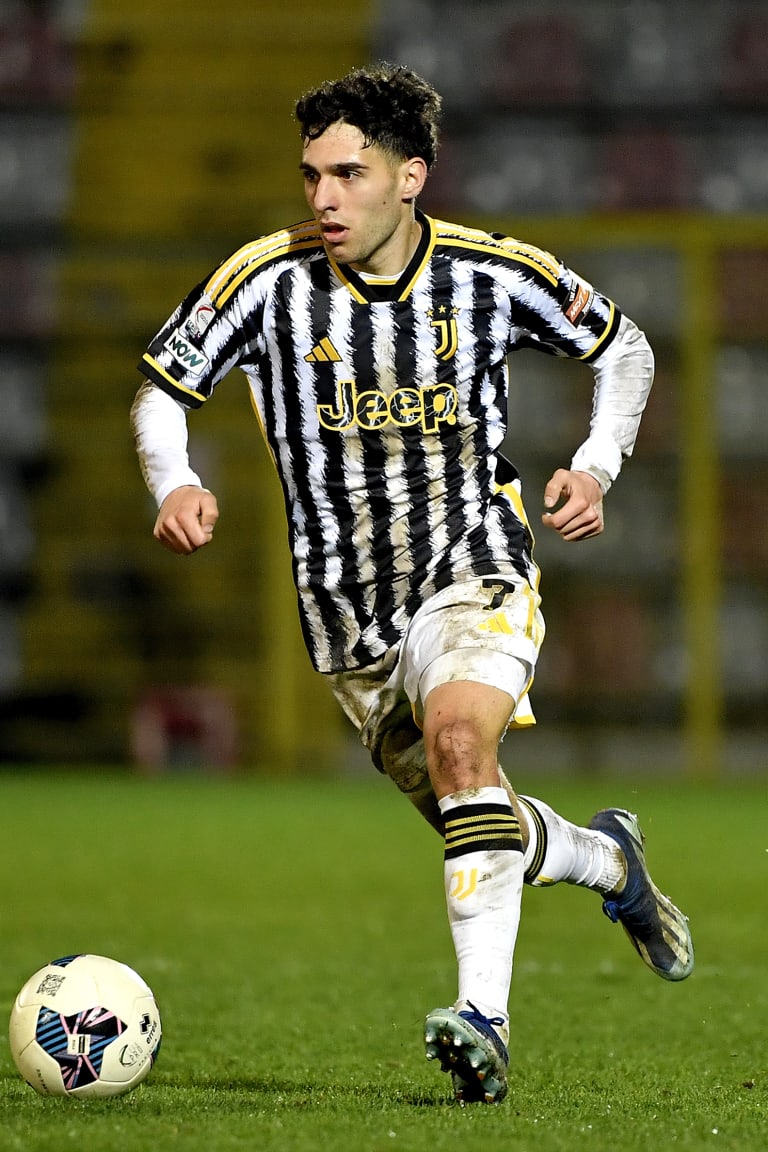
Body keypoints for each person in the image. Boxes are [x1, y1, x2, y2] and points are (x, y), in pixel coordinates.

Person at [131, 63, 693, 1105]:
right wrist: (177, 480)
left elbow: (625, 348)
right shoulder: (266, 280)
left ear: (411, 176)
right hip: (347, 617)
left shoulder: (491, 274)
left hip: (473, 562)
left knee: (462, 742)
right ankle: (609, 862)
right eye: (311, 176)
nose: (324, 198)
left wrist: (596, 466)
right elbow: (164, 387)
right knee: (476, 817)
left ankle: (483, 1025)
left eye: (349, 174)